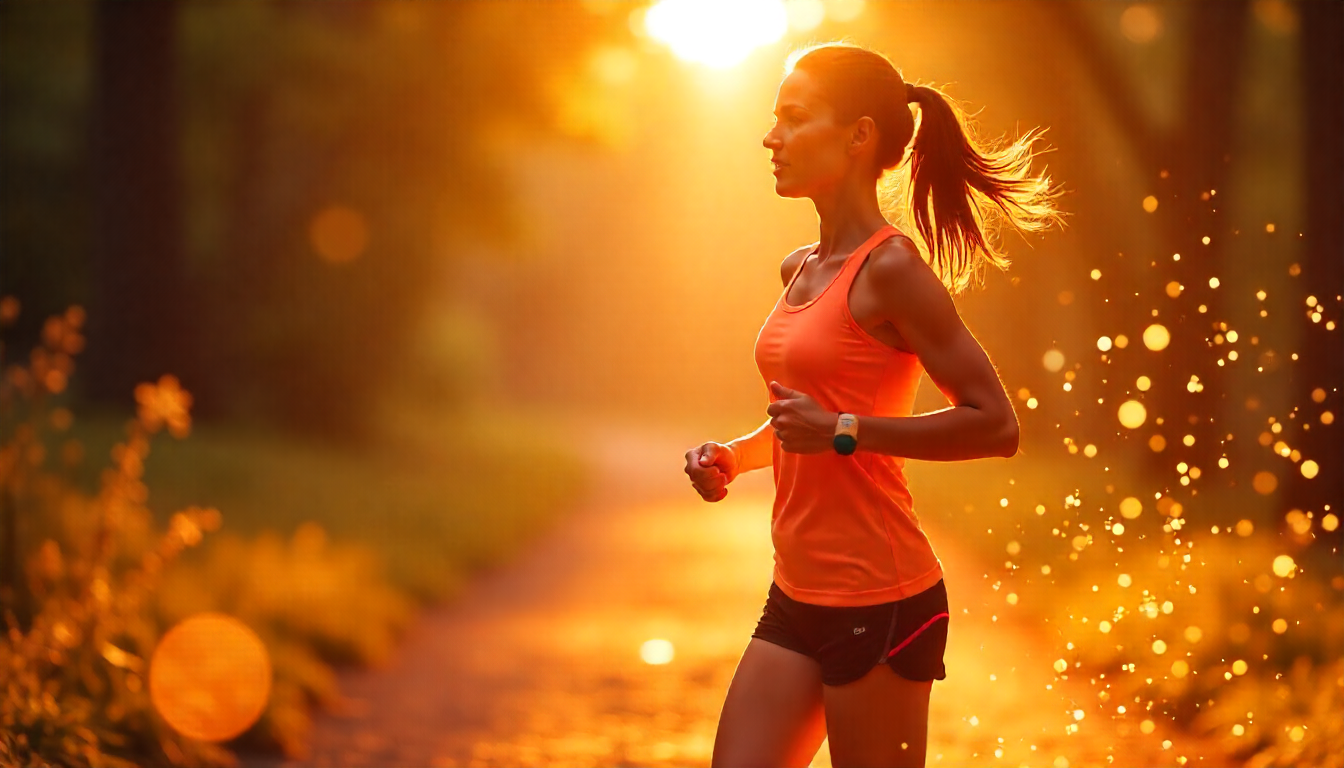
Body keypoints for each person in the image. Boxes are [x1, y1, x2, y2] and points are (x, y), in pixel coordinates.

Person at [683, 41, 1064, 768]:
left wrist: (844, 430)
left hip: (881, 601)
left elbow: (995, 424)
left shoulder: (893, 270)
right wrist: (733, 456)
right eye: (774, 118)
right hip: (797, 592)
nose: (770, 137)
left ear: (859, 135)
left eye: (794, 118)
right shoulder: (799, 268)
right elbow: (804, 423)